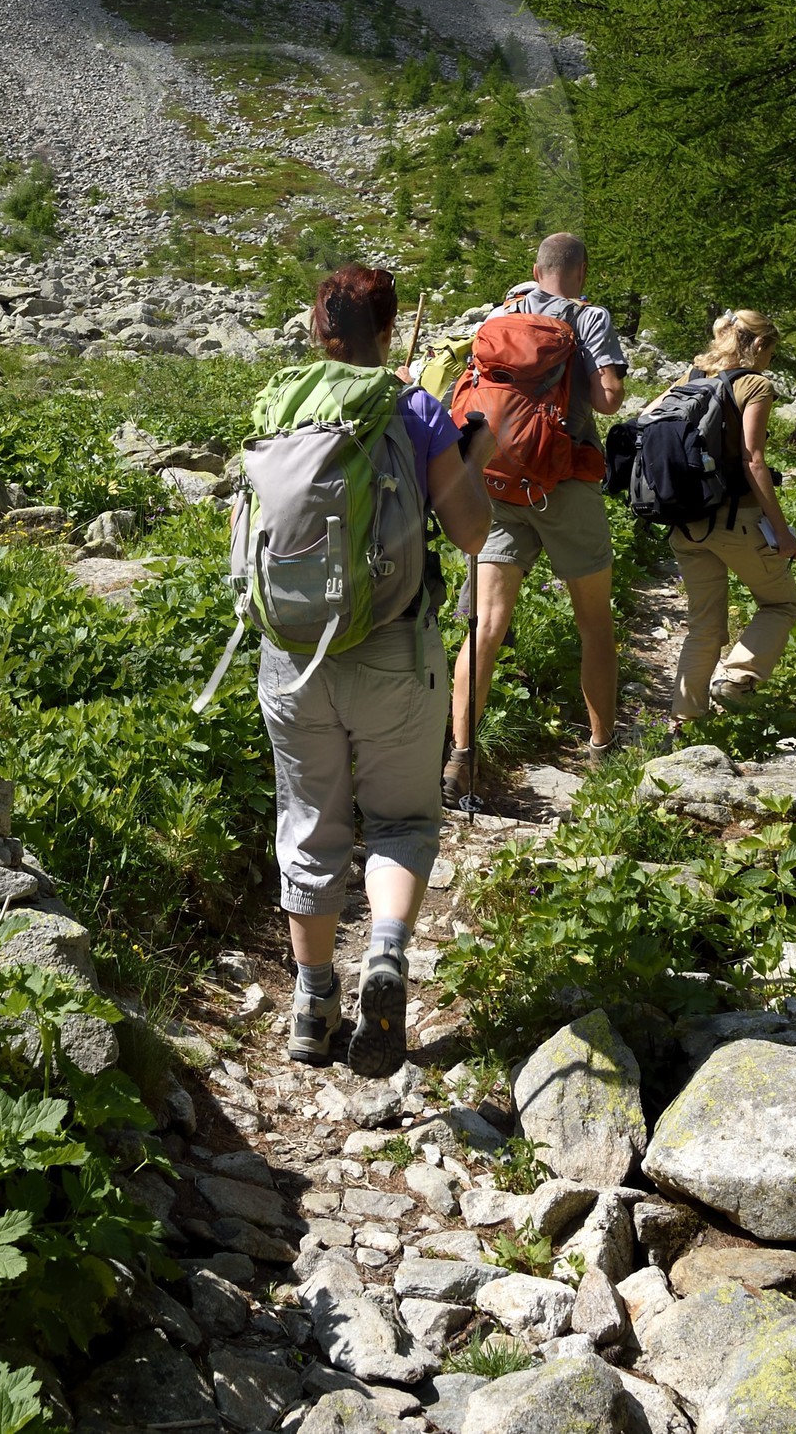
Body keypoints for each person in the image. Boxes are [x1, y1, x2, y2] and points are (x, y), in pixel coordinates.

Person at [258, 263, 496, 1075]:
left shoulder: (278, 402)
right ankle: (386, 958)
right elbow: (470, 533)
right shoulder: (415, 407)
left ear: (316, 328)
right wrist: (472, 449)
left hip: (291, 654)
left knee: (309, 826)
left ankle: (311, 1000)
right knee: (400, 821)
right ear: (387, 333)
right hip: (394, 651)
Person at [444, 233, 627, 800]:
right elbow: (609, 400)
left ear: (535, 269)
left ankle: (460, 759)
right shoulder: (589, 318)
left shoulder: (502, 311)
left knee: (485, 627)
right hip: (563, 483)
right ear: (582, 271)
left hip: (495, 484)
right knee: (594, 622)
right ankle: (601, 754)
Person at [666, 310, 796, 726]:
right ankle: (737, 678)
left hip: (686, 522)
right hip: (736, 521)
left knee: (703, 627)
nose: (769, 361)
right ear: (759, 345)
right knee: (781, 603)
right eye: (770, 352)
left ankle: (685, 723)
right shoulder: (754, 384)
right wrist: (781, 531)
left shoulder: (689, 377)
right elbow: (753, 460)